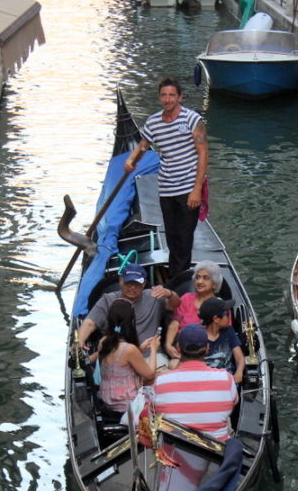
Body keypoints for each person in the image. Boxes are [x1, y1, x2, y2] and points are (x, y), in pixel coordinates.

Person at [124, 77, 209, 280]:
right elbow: (144, 145)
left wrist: (197, 188)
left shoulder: (192, 120)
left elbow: (203, 153)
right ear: (159, 97)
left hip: (189, 188)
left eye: (172, 95)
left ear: (179, 97)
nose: (168, 99)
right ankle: (177, 277)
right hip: (167, 188)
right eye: (164, 95)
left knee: (184, 237)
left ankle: (178, 280)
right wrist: (131, 159)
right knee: (172, 237)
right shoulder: (154, 122)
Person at [152, 323, 238, 491]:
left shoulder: (161, 382)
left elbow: (155, 412)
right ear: (207, 349)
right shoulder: (226, 379)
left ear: (178, 348)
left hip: (177, 458)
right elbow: (232, 405)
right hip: (216, 455)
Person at [76, 263, 179, 353]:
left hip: (151, 355)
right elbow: (90, 323)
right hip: (118, 357)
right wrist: (80, 340)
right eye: (128, 283)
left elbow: (175, 305)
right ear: (121, 281)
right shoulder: (107, 300)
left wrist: (170, 293)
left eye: (136, 284)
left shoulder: (154, 297)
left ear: (143, 284)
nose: (132, 287)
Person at [92, 300, 159, 415]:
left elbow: (121, 359)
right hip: (128, 406)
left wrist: (140, 349)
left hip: (107, 402)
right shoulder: (129, 349)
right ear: (131, 322)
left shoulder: (103, 342)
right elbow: (150, 374)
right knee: (160, 376)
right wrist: (154, 349)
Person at [164, 261, 222, 360]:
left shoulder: (219, 305)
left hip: (207, 351)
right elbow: (175, 324)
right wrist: (168, 346)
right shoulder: (186, 298)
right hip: (181, 349)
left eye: (205, 278)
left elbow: (221, 334)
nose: (199, 282)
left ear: (214, 285)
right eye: (197, 277)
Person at [199, 297, 245, 384]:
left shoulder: (229, 331)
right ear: (216, 319)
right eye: (227, 313)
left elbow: (239, 357)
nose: (229, 316)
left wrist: (239, 372)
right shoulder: (198, 336)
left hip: (230, 381)